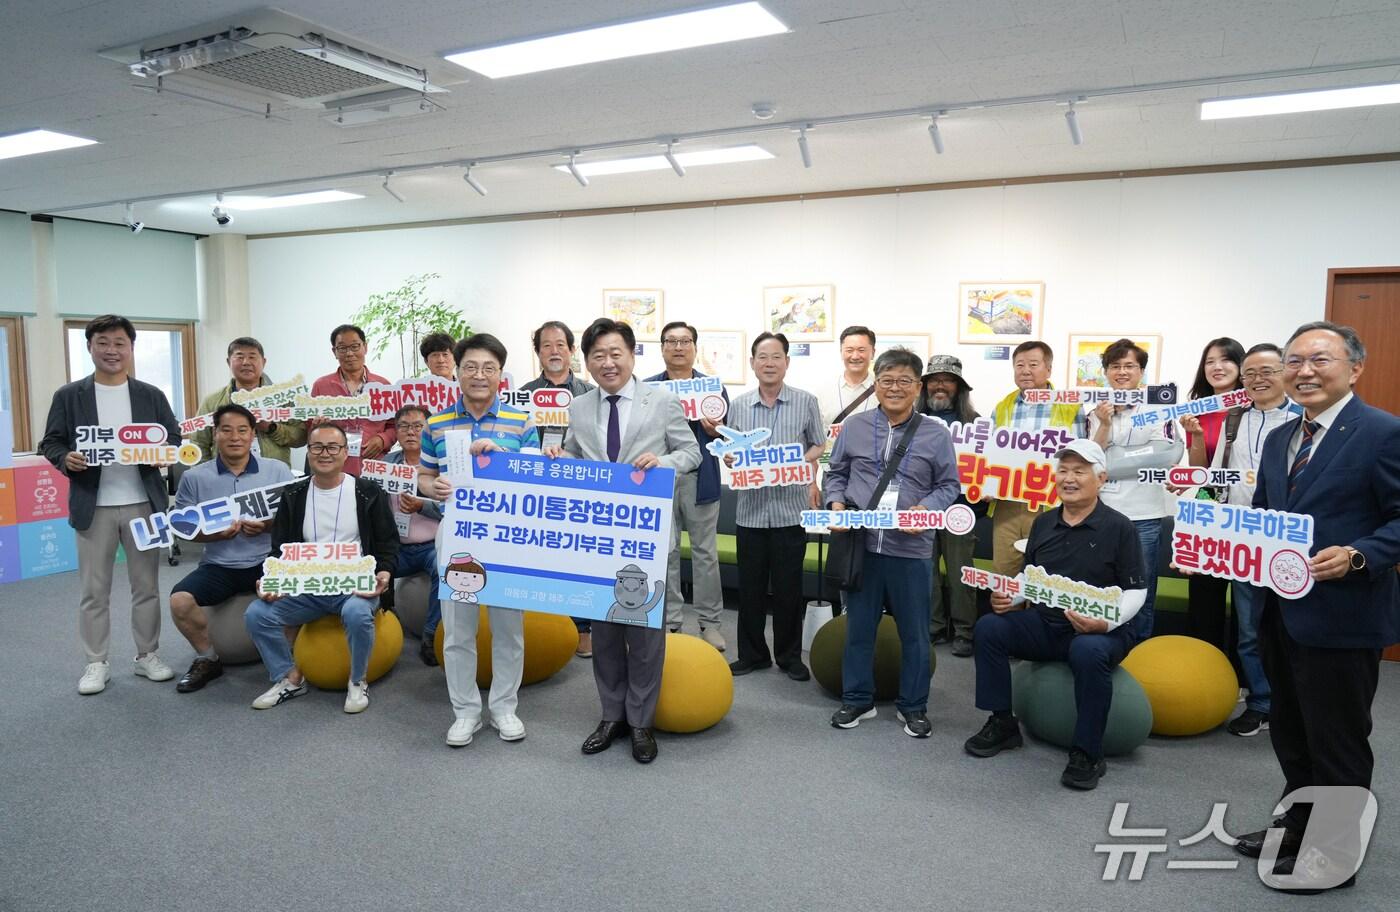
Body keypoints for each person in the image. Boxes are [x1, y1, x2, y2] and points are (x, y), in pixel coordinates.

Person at [1233, 321, 1399, 894]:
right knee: (1292, 732)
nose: (1304, 371)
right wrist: (1223, 545)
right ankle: (1296, 828)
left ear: (1355, 367)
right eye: (1294, 360)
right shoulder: (1281, 437)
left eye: (1320, 359)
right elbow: (1263, 517)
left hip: (1344, 615)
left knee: (1338, 741)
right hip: (1281, 613)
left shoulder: (1383, 433)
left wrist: (1359, 554)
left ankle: (1336, 856)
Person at [548, 318, 700, 764]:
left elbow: (692, 452)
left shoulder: (662, 401)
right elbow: (576, 455)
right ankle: (611, 715)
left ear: (632, 355)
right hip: (599, 537)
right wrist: (559, 455)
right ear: (587, 362)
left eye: (615, 353)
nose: (607, 363)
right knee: (607, 634)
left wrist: (664, 461)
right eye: (598, 355)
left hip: (646, 535)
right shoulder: (579, 407)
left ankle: (640, 722)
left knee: (646, 636)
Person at [963, 439, 1148, 791]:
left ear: (1101, 479)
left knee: (1087, 650)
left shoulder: (1120, 527)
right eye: (1063, 470)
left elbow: (1137, 590)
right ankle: (1002, 723)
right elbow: (1031, 576)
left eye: (1079, 471)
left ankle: (1088, 752)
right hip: (1048, 624)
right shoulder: (1044, 522)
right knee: (989, 627)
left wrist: (1105, 622)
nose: (1069, 478)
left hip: (1103, 631)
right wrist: (1012, 595)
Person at [40, 314, 183, 695]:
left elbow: (173, 437)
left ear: (131, 348)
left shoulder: (150, 395)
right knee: (94, 590)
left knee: (146, 587)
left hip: (143, 504)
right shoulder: (70, 396)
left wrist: (162, 453)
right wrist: (65, 458)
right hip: (94, 505)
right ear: (89, 347)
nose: (111, 350)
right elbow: (51, 442)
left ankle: (147, 655)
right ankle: (96, 662)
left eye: (120, 343)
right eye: (102, 342)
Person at [825, 348, 961, 737]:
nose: (895, 388)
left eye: (904, 381)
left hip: (911, 550)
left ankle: (913, 706)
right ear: (876, 385)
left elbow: (949, 485)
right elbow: (836, 473)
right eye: (886, 380)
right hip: (862, 546)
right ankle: (857, 699)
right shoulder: (854, 426)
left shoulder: (935, 433)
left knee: (915, 634)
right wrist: (836, 503)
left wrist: (925, 508)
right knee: (858, 629)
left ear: (918, 387)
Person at [418, 333, 540, 747]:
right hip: (456, 534)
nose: (479, 375)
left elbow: (535, 479)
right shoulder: (436, 423)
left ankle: (504, 708)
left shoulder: (521, 421)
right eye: (470, 366)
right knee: (457, 629)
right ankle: (466, 712)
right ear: (456, 371)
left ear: (501, 374)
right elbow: (425, 475)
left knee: (508, 628)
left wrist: (501, 459)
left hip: (506, 537)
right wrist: (431, 487)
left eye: (489, 368)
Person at [244, 423, 398, 714]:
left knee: (356, 612)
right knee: (257, 614)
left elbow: (388, 543)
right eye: (317, 447)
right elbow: (280, 549)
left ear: (346, 452)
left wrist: (385, 573)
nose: (325, 453)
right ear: (308, 452)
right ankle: (289, 677)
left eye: (333, 447)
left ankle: (357, 680)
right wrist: (270, 579)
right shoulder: (294, 493)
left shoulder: (367, 491)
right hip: (307, 588)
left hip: (354, 586)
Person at [168, 404, 295, 692]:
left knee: (299, 591)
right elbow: (183, 528)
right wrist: (214, 535)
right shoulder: (195, 477)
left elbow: (294, 520)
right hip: (219, 565)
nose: (235, 437)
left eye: (242, 430)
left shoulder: (277, 470)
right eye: (226, 430)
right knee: (180, 601)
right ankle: (207, 658)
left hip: (268, 559)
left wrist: (267, 526)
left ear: (253, 435)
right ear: (215, 434)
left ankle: (286, 659)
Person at [1208, 343, 1301, 737]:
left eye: (1267, 371)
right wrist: (1199, 516)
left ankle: (1297, 704)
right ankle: (1261, 702)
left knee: (1295, 626)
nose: (1257, 379)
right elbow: (1215, 478)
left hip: (1293, 540)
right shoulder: (1234, 420)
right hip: (1242, 537)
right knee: (1249, 627)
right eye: (1250, 373)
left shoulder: (1303, 418)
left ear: (1285, 372)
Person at [725, 332, 826, 682]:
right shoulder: (739, 405)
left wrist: (797, 461)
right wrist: (735, 459)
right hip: (750, 512)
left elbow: (819, 444)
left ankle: (789, 656)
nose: (769, 363)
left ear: (787, 362)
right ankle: (752, 655)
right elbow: (731, 451)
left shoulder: (806, 401)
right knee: (750, 589)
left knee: (788, 589)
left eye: (776, 356)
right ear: (752, 363)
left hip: (789, 511)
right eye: (762, 357)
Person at [1087, 339, 1183, 640]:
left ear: (1141, 371)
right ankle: (1102, 649)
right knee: (1101, 587)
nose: (1122, 372)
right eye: (1115, 366)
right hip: (1102, 514)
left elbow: (1165, 454)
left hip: (1144, 515)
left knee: (1141, 590)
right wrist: (1105, 425)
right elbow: (1090, 461)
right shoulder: (1094, 413)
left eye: (1129, 366)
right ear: (1106, 372)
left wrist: (1111, 460)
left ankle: (1137, 652)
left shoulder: (1158, 409)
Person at [644, 320, 727, 649]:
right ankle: (669, 621)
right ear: (662, 347)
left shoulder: (712, 388)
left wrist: (715, 431)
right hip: (659, 478)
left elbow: (726, 438)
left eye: (685, 341)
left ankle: (710, 623)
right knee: (665, 553)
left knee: (706, 554)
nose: (678, 347)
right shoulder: (647, 389)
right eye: (671, 341)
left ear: (694, 347)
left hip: (700, 479)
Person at [520, 320, 597, 655]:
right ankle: (544, 626)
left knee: (578, 557)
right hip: (536, 486)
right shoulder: (523, 394)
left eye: (560, 345)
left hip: (578, 487)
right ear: (538, 352)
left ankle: (581, 626)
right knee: (539, 556)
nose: (554, 351)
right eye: (546, 346)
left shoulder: (590, 393)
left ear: (571, 350)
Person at [989, 341, 1086, 578]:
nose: (1025, 371)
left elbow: (1080, 458)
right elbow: (989, 453)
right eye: (1019, 365)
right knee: (1004, 575)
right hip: (1008, 502)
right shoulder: (1002, 407)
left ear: (1048, 369)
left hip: (1050, 503)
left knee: (1048, 576)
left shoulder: (1070, 405)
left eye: (1033, 364)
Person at [918, 354, 987, 656]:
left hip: (959, 509)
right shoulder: (914, 420)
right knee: (925, 570)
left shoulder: (977, 424)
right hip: (920, 507)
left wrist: (987, 489)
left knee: (961, 572)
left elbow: (989, 468)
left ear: (959, 387)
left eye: (947, 380)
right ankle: (932, 626)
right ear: (925, 386)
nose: (940, 386)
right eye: (934, 380)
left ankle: (964, 631)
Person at [1180, 337, 1244, 650]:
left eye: (1226, 359)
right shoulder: (1198, 410)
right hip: (1207, 507)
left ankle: (1245, 674)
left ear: (1241, 366)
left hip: (1245, 510)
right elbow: (1199, 470)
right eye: (1209, 361)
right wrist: (1195, 435)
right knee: (1204, 598)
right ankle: (1205, 664)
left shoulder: (1253, 408)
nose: (1217, 367)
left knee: (1248, 600)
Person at [815, 325, 879, 616]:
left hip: (875, 480)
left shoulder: (883, 389)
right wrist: (815, 480)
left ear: (872, 352)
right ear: (841, 351)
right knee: (841, 545)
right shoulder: (824, 393)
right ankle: (842, 609)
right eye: (849, 349)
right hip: (835, 477)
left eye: (861, 350)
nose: (855, 355)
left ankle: (876, 608)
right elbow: (816, 441)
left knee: (876, 543)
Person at [383, 404, 444, 667]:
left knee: (445, 569)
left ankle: (431, 635)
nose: (411, 432)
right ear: (396, 432)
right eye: (404, 426)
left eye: (418, 426)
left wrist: (423, 506)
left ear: (428, 431)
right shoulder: (385, 464)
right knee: (370, 568)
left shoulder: (441, 465)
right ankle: (382, 630)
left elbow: (455, 508)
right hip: (396, 546)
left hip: (432, 545)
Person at [189, 337, 306, 467]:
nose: (246, 362)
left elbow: (301, 437)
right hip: (226, 475)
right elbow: (198, 443)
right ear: (228, 362)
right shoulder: (212, 401)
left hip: (272, 475)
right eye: (239, 357)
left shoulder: (283, 399)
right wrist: (207, 474)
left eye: (252, 357)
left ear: (263, 362)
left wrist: (271, 428)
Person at [310, 324, 396, 476]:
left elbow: (395, 425)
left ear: (365, 347)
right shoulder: (321, 386)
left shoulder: (383, 386)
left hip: (374, 465)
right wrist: (316, 427)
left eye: (355, 346)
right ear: (334, 352)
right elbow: (309, 429)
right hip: (334, 468)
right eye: (342, 348)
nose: (349, 353)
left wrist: (383, 439)